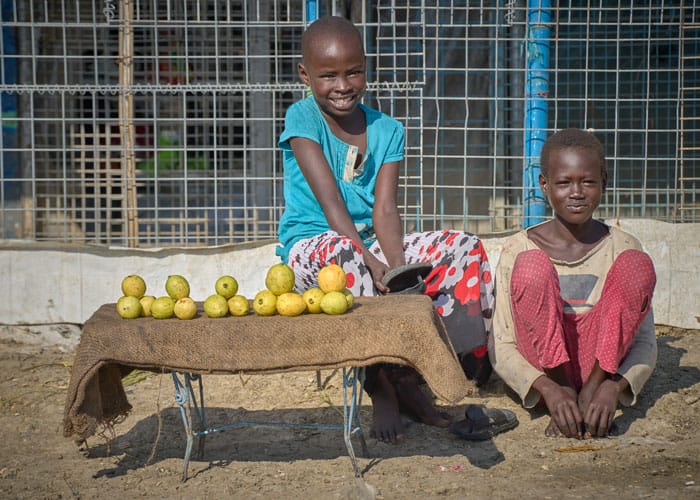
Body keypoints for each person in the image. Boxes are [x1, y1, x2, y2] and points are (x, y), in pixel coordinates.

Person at [276, 15, 496, 443]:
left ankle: (428, 371)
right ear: (305, 76)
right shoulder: (302, 118)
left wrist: (399, 273)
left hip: (370, 244)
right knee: (346, 255)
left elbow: (385, 211)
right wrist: (370, 261)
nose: (343, 85)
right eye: (328, 76)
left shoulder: (387, 129)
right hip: (312, 251)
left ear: (366, 67)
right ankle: (380, 387)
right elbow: (331, 205)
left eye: (353, 71)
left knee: (463, 246)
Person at [489, 128, 657, 439]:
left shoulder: (623, 247)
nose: (576, 192)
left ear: (604, 183)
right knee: (531, 268)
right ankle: (566, 392)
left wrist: (611, 386)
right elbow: (501, 343)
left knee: (637, 266)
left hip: (604, 367)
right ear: (544, 185)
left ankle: (588, 394)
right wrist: (550, 390)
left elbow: (645, 342)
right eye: (564, 183)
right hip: (545, 370)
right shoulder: (519, 250)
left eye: (588, 182)